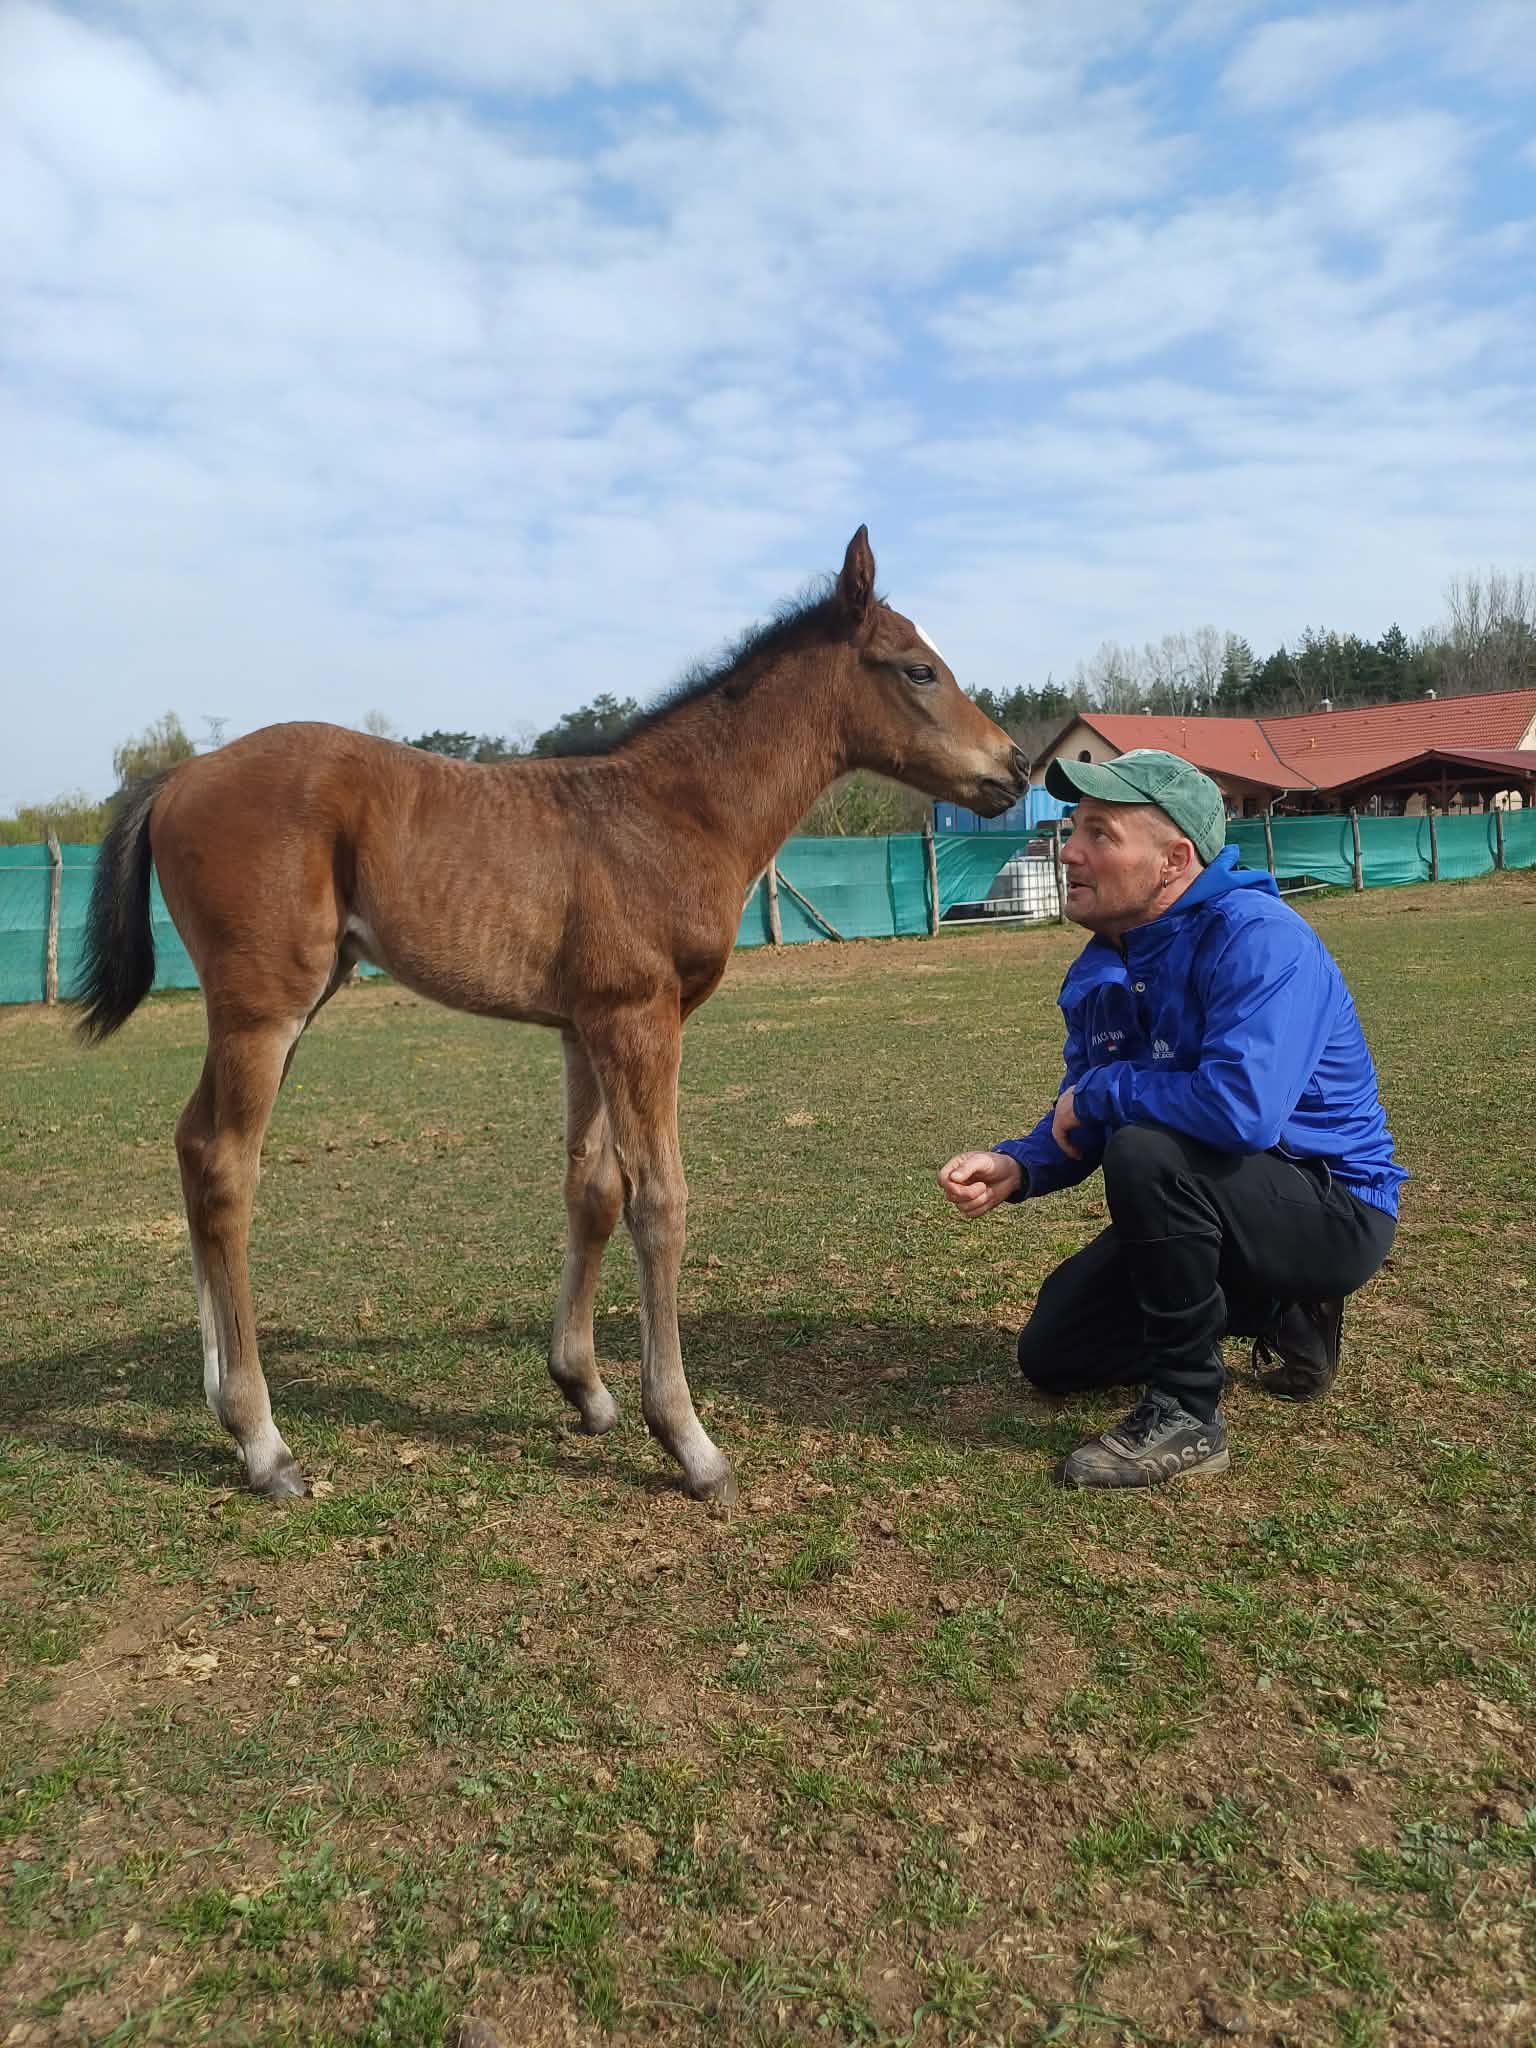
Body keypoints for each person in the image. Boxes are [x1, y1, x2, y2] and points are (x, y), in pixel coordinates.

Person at [938, 750, 1404, 1490]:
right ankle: (1272, 1306)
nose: (1070, 851)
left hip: (1331, 1209)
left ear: (1173, 860)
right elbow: (1081, 1102)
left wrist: (1098, 1098)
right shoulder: (1107, 963)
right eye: (1071, 829)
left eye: (1100, 832)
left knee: (1144, 1148)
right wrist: (1021, 1164)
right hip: (1213, 1199)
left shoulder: (1260, 938)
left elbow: (1239, 1110)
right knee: (1054, 1352)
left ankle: (1189, 1413)